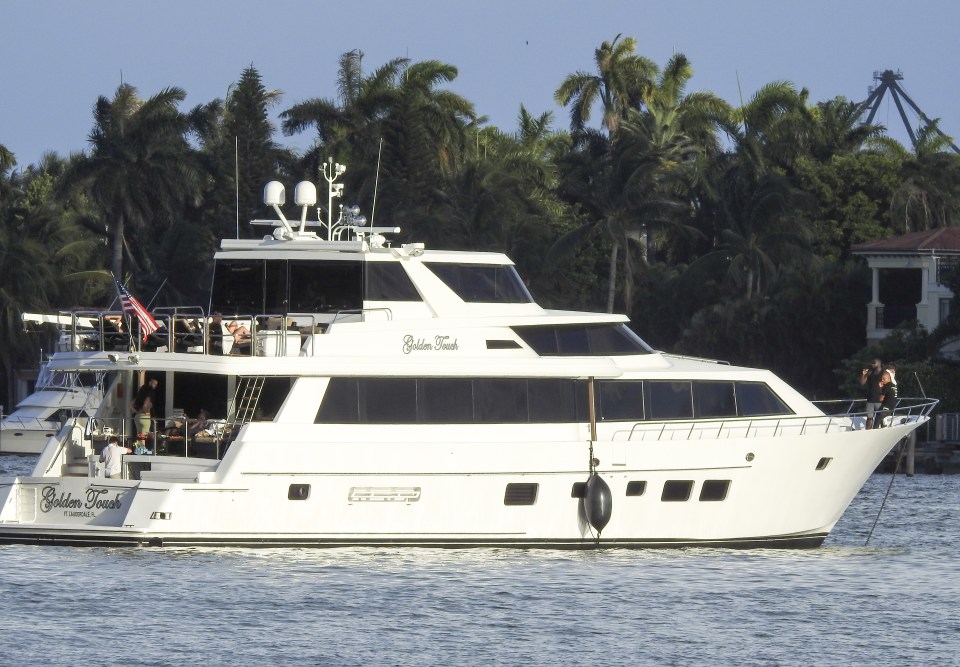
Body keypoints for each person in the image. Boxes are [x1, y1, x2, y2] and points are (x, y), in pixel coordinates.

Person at [132, 377, 159, 447]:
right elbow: (145, 406)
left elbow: (130, 405)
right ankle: (142, 451)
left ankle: (139, 450)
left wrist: (137, 411)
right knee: (143, 435)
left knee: (139, 435)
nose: (155, 386)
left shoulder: (140, 395)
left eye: (156, 384)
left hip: (137, 416)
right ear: (150, 383)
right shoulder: (150, 394)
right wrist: (147, 414)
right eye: (154, 384)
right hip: (145, 417)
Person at [859, 358, 883, 429]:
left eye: (873, 363)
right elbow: (862, 383)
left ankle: (882, 431)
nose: (872, 364)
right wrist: (864, 375)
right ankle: (868, 432)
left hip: (880, 399)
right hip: (870, 399)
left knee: (880, 417)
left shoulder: (884, 373)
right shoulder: (870, 372)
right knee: (869, 417)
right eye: (871, 363)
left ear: (878, 363)